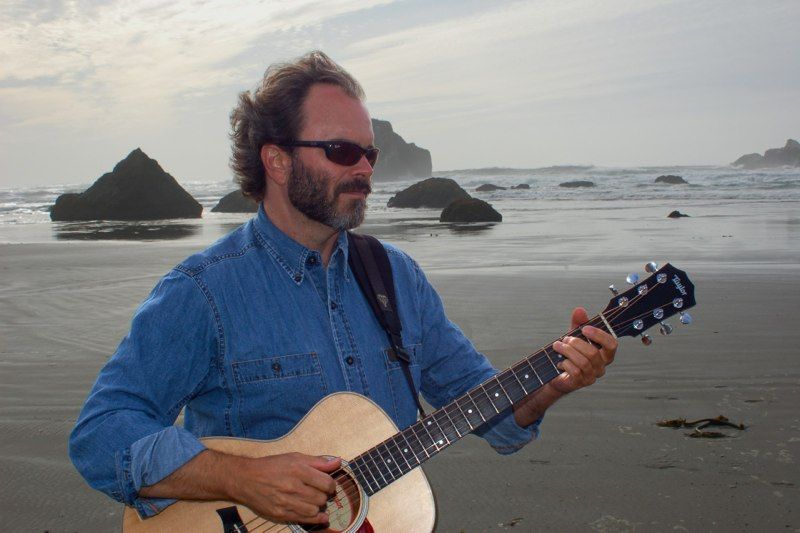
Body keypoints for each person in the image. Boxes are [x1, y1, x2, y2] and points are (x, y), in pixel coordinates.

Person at [69, 51, 617, 526]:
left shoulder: (397, 278)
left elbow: (487, 408)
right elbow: (100, 434)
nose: (364, 170)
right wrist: (242, 479)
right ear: (277, 160)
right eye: (340, 151)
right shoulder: (204, 292)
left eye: (369, 154)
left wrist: (555, 382)